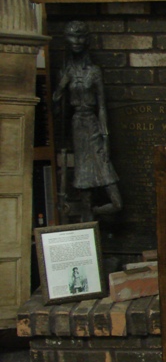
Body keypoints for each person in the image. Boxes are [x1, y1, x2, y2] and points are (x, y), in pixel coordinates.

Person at [53, 20, 122, 221]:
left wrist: (105, 138)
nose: (76, 41)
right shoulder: (65, 72)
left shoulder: (94, 71)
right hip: (78, 129)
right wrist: (61, 86)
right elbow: (56, 108)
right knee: (84, 189)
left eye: (80, 37)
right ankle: (88, 224)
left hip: (94, 127)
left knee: (117, 202)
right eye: (72, 37)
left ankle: (94, 212)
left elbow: (102, 107)